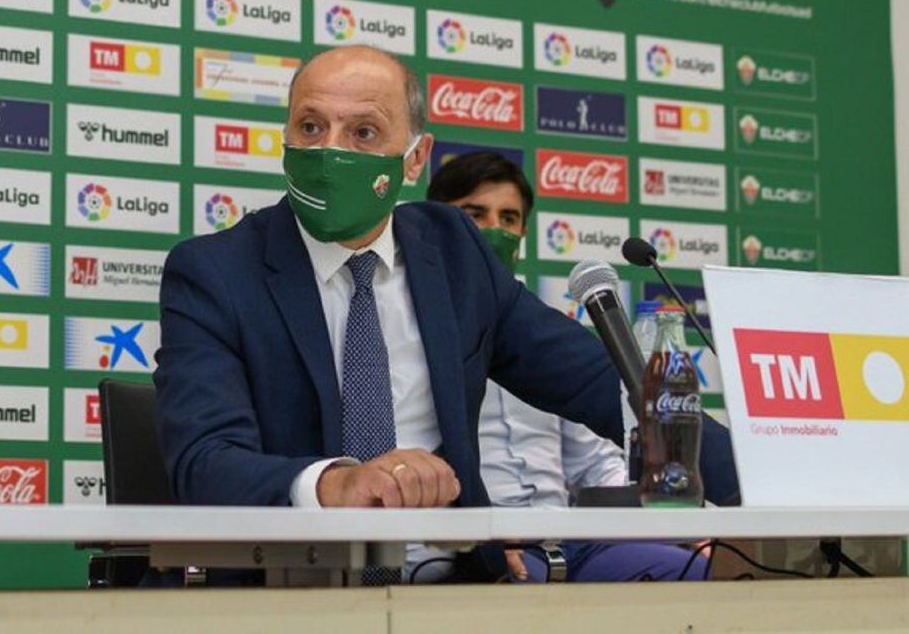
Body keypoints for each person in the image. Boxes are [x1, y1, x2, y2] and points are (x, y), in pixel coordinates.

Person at [155, 45, 705, 582]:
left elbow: (601, 385)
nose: (329, 151)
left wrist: (761, 485)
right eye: (310, 127)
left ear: (415, 157)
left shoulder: (453, 253)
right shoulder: (217, 273)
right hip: (292, 594)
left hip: (451, 589)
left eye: (363, 132)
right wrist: (335, 484)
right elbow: (204, 462)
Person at [427, 151, 709, 582]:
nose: (494, 230)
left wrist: (675, 516)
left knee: (690, 568)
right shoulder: (412, 326)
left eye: (509, 218)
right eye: (475, 214)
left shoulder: (546, 337)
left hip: (573, 536)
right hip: (487, 539)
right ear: (437, 220)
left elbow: (594, 465)